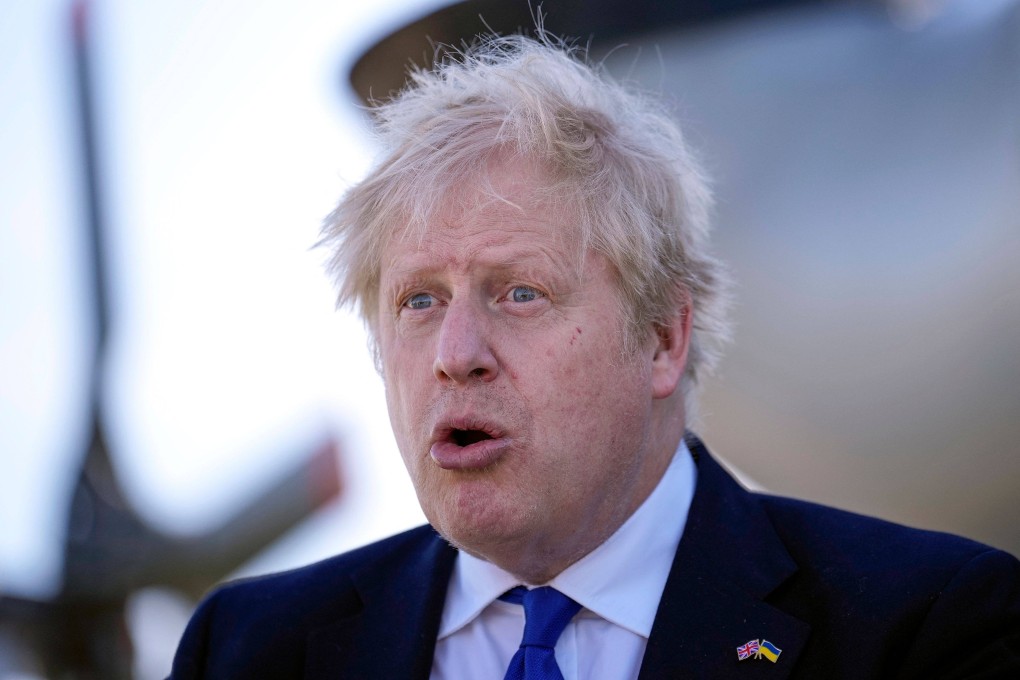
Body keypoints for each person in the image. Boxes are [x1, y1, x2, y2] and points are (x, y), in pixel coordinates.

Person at [169, 34, 1020, 678]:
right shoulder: (244, 649)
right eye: (418, 301)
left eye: (520, 293)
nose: (455, 356)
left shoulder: (930, 624)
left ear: (661, 337)